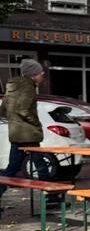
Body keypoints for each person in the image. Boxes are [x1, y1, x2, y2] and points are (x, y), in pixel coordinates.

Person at [0, 60, 51, 205]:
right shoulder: (28, 87)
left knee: (12, 168)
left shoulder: (12, 86)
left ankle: (50, 197)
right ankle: (51, 197)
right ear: (34, 74)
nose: (42, 76)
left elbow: (3, 111)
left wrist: (15, 122)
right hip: (29, 134)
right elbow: (23, 109)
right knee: (41, 166)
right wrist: (35, 123)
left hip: (16, 134)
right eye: (41, 73)